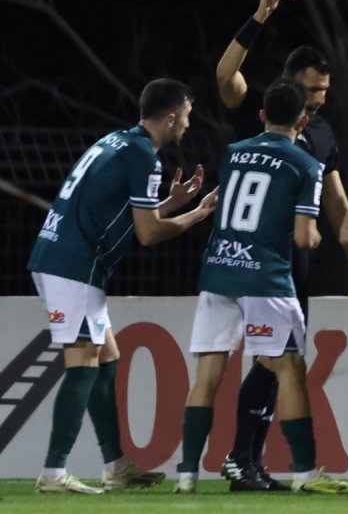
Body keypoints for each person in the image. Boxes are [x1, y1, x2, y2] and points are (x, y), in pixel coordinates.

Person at [214, 0, 348, 490]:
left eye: (324, 92)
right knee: (279, 360)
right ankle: (252, 460)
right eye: (311, 91)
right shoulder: (267, 111)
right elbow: (224, 76)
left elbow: (338, 203)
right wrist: (260, 15)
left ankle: (246, 460)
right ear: (290, 85)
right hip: (252, 259)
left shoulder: (321, 134)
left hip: (291, 265)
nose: (318, 101)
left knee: (276, 361)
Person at [27, 78, 217, 493]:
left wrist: (172, 204)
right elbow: (148, 234)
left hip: (66, 259)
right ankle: (53, 473)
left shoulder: (117, 142)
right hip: (72, 266)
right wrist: (197, 216)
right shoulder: (143, 157)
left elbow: (126, 215)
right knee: (83, 360)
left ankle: (115, 466)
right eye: (187, 115)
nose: (189, 123)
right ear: (171, 117)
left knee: (106, 358)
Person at [174, 78, 348, 495]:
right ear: (303, 121)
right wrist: (317, 237)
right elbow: (305, 237)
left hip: (219, 269)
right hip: (264, 276)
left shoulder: (234, 152)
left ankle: (186, 475)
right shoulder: (305, 164)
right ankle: (305, 472)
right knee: (289, 368)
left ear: (261, 115)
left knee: (207, 374)